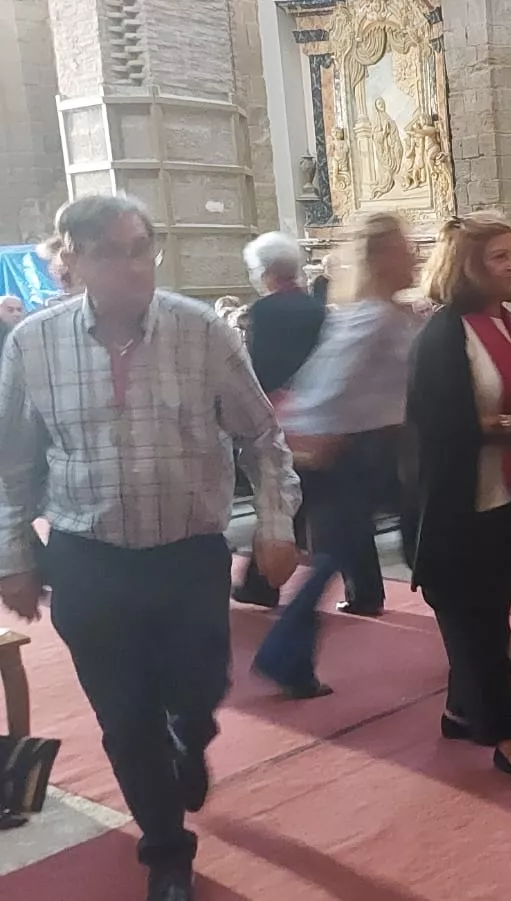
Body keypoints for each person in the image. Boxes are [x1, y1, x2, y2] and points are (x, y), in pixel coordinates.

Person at [0, 194, 301, 901]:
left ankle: (188, 734)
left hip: (188, 551)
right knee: (123, 715)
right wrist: (12, 552)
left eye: (143, 247)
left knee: (201, 687)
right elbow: (14, 462)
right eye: (112, 252)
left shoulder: (200, 332)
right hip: (87, 556)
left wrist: (275, 522)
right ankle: (166, 851)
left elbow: (261, 435)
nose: (134, 265)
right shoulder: (33, 344)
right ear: (68, 259)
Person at [408, 212, 511, 788]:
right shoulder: (444, 334)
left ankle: (458, 710)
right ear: (469, 266)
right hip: (456, 507)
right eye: (499, 255)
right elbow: (440, 427)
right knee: (479, 630)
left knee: (488, 618)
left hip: (505, 498)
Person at [252, 214, 422, 696]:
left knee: (337, 554)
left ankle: (288, 655)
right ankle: (286, 655)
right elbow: (330, 381)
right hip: (356, 450)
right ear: (382, 257)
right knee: (336, 555)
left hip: (370, 445)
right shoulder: (373, 316)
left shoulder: (382, 312)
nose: (412, 255)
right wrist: (314, 436)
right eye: (403, 247)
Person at [232, 232, 328, 608]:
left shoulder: (263, 312)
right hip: (319, 414)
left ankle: (263, 581)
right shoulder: (317, 308)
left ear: (267, 271)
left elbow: (258, 370)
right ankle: (362, 586)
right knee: (313, 503)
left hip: (280, 416)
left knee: (280, 498)